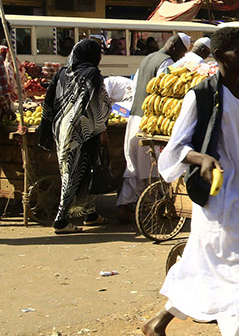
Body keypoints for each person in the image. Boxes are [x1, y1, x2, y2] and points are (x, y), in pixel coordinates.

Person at [133, 27, 239, 336]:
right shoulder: (203, 95)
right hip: (218, 203)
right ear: (221, 56)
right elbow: (174, 149)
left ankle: (156, 325)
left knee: (202, 270)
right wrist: (202, 159)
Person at [39, 39, 112, 234]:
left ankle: (90, 213)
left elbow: (51, 99)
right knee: (72, 175)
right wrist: (102, 129)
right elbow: (97, 104)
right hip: (84, 131)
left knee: (84, 170)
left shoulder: (63, 73)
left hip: (63, 129)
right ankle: (61, 221)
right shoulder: (91, 74)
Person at [118, 35, 189, 222]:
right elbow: (163, 92)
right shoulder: (166, 62)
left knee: (133, 165)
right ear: (174, 47)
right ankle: (152, 207)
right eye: (181, 53)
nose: (180, 57)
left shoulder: (147, 58)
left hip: (134, 116)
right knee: (150, 166)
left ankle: (125, 204)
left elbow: (136, 87)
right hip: (149, 121)